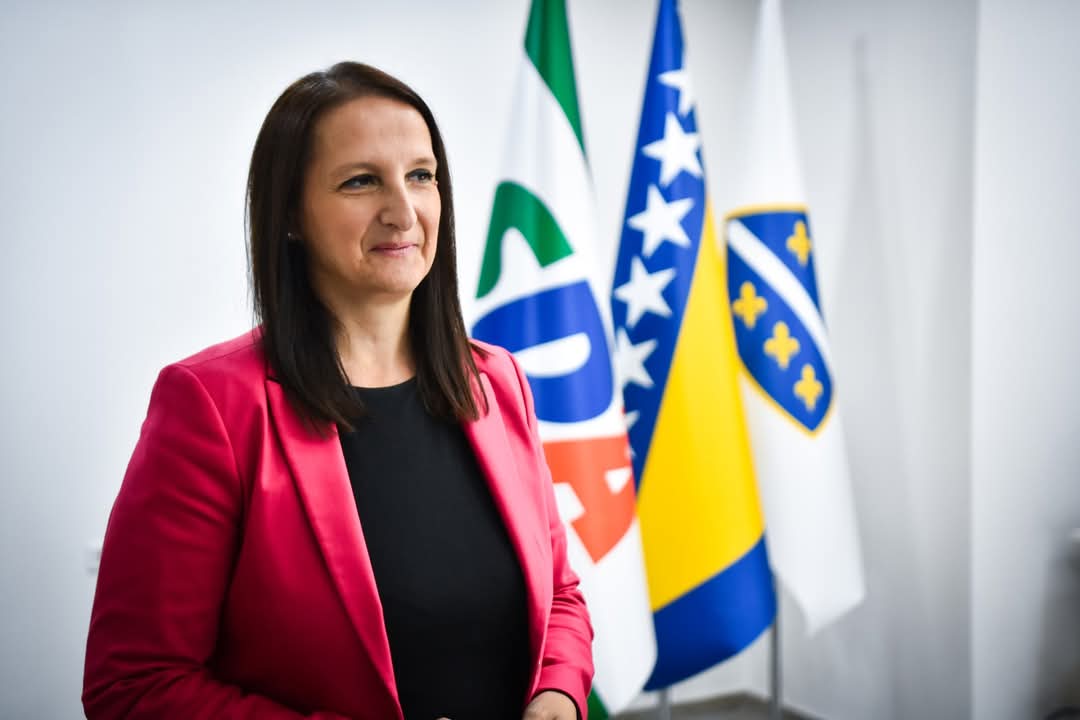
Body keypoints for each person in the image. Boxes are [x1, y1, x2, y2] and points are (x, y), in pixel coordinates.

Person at [82, 61, 593, 720]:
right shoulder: (211, 405)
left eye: (421, 175)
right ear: (291, 215)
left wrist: (558, 694)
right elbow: (134, 685)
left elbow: (560, 596)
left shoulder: (498, 381)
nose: (403, 212)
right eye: (360, 181)